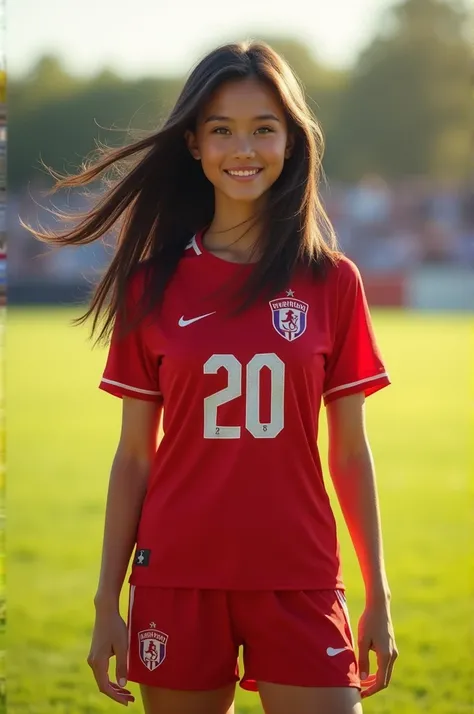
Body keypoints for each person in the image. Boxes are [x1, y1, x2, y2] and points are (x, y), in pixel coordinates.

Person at [29, 40, 398, 714]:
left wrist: (378, 595)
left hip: (299, 576)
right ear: (194, 145)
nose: (244, 148)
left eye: (264, 128)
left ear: (291, 141)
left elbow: (349, 450)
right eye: (222, 130)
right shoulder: (151, 286)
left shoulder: (331, 281)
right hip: (177, 578)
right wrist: (106, 602)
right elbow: (134, 455)